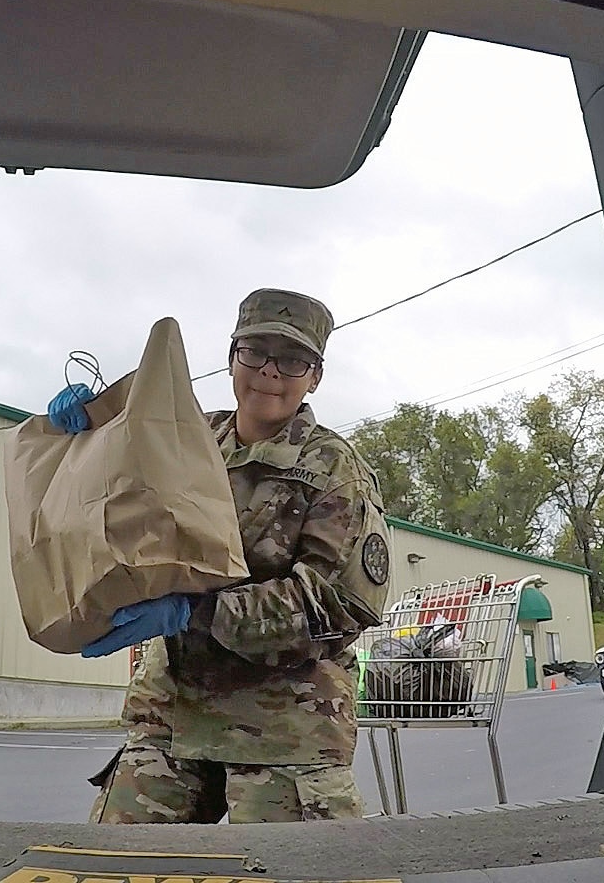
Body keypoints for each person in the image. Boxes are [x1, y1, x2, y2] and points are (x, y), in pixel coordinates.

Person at [76, 288, 393, 824]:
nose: (271, 371)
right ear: (231, 360)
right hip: (172, 715)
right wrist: (85, 431)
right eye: (256, 352)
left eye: (292, 360)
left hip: (285, 730)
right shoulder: (192, 441)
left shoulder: (335, 467)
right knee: (112, 864)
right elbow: (119, 489)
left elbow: (341, 605)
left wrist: (193, 612)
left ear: (313, 376)